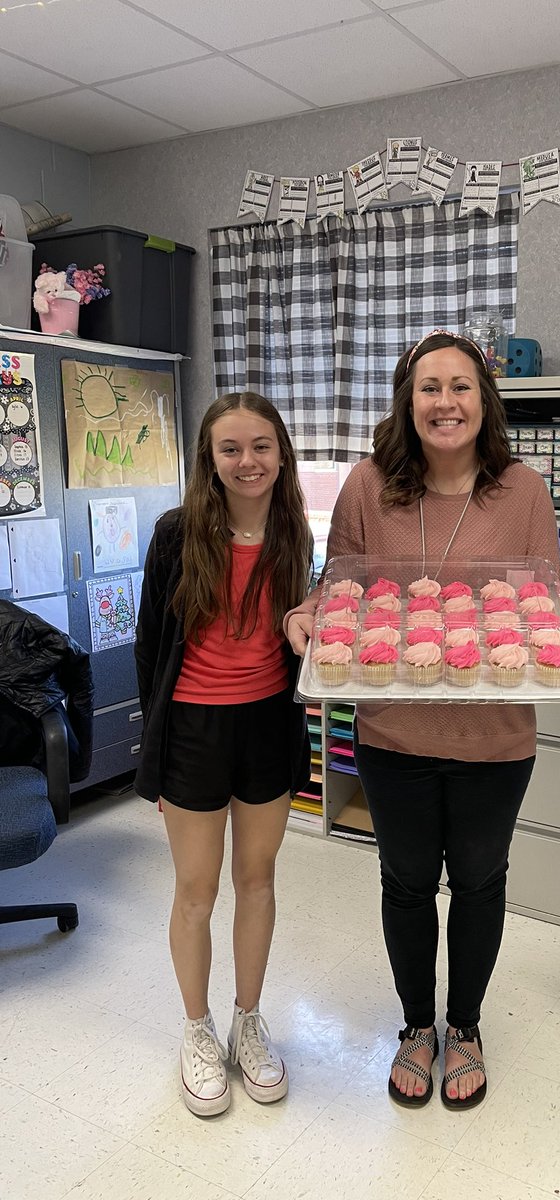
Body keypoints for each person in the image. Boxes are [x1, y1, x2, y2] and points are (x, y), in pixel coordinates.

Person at [285, 330, 560, 1110]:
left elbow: (543, 596)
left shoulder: (520, 489)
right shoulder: (367, 485)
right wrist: (305, 614)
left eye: (461, 387)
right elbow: (340, 589)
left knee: (482, 882)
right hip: (393, 727)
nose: (446, 402)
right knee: (407, 882)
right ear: (408, 400)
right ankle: (416, 1027)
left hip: (497, 738)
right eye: (430, 388)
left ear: (482, 400)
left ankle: (467, 1025)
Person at [135, 391, 314, 1118]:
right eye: (231, 449)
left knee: (258, 879)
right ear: (210, 460)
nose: (248, 462)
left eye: (261, 447)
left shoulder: (293, 529)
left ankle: (248, 1020)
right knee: (196, 891)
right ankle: (197, 1029)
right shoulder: (177, 534)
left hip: (268, 725)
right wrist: (156, 741)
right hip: (193, 732)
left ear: (281, 454)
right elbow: (151, 647)